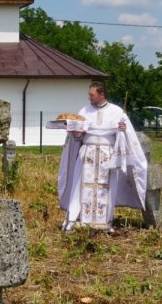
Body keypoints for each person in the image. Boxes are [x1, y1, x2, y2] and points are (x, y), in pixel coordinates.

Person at [57, 81, 148, 231]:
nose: (89, 98)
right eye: (89, 95)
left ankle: (104, 222)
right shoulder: (84, 111)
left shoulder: (117, 111)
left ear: (102, 94)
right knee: (81, 187)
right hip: (87, 155)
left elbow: (127, 136)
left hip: (107, 157)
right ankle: (79, 219)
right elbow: (78, 137)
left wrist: (122, 130)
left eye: (91, 95)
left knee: (106, 188)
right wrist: (74, 131)